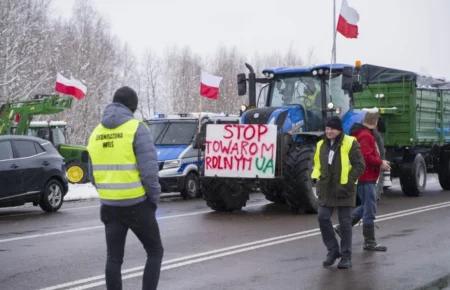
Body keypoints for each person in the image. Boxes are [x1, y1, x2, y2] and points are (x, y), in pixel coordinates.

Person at [87, 86, 163, 290]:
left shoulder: (95, 132)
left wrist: (108, 192)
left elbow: (92, 174)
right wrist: (153, 200)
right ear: (133, 107)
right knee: (155, 251)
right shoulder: (136, 128)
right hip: (137, 204)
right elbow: (149, 173)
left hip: (109, 207)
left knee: (114, 259)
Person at [312, 116, 365, 269]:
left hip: (345, 189)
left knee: (345, 223)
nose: (328, 131)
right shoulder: (321, 144)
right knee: (322, 217)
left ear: (339, 130)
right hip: (326, 190)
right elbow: (317, 166)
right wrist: (318, 183)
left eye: (332, 129)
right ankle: (333, 251)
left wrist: (348, 182)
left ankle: (346, 256)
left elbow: (359, 166)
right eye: (327, 128)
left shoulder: (350, 142)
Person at [348, 111, 390, 251]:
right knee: (370, 209)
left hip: (363, 176)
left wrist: (380, 161)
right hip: (366, 177)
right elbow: (366, 157)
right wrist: (380, 163)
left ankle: (343, 227)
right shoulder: (366, 136)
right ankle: (369, 242)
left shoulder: (360, 133)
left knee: (366, 206)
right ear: (375, 122)